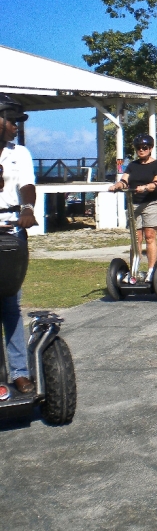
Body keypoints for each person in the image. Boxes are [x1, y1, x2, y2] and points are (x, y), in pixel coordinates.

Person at [0, 94, 38, 396]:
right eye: (11, 120)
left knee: (11, 304)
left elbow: (27, 184)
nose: (16, 126)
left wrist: (27, 208)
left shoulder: (20, 152)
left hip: (11, 230)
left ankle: (19, 372)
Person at [108, 134, 157, 282]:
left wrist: (146, 187)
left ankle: (152, 270)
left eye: (144, 148)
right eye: (138, 148)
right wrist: (117, 186)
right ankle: (135, 270)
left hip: (151, 203)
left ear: (150, 148)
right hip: (134, 204)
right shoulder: (132, 165)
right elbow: (124, 181)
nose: (141, 150)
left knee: (150, 237)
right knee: (136, 239)